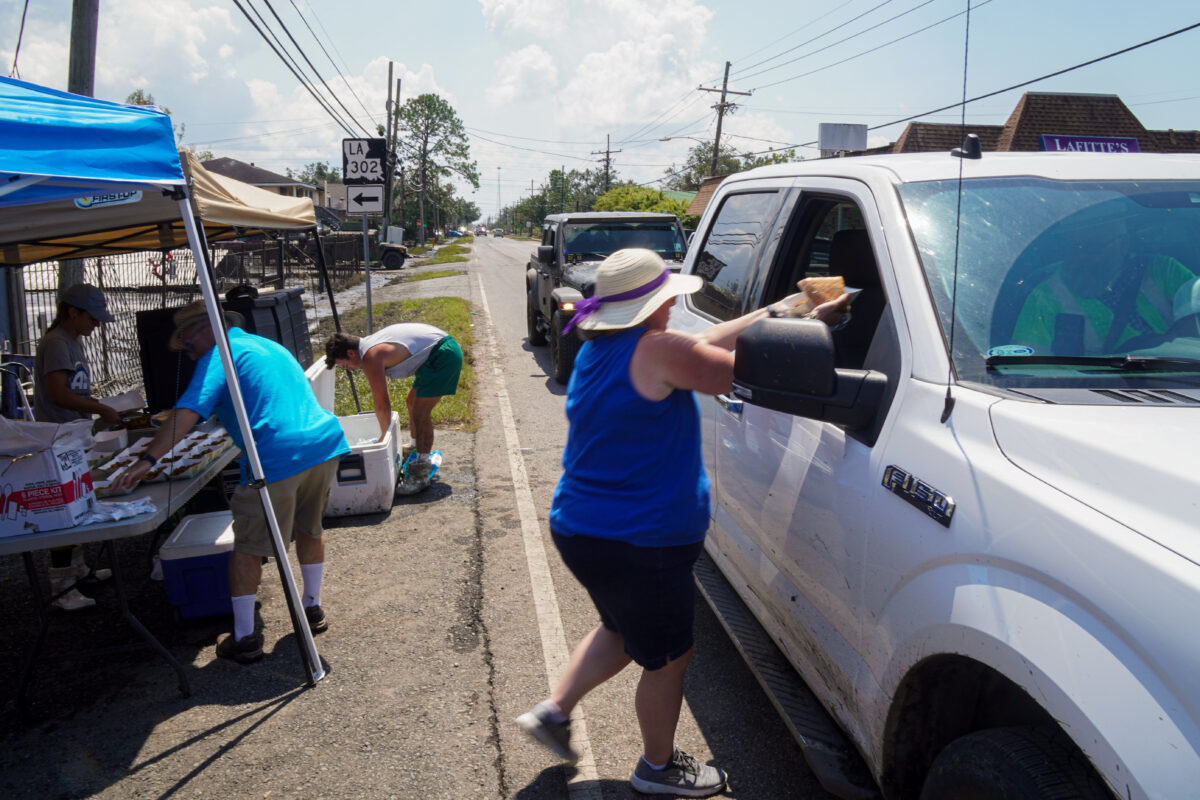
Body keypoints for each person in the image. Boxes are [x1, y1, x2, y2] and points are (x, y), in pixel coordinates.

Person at [515, 249, 848, 797]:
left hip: (583, 528)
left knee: (621, 630)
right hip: (639, 541)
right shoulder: (662, 348)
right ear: (656, 303)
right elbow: (738, 369)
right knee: (670, 658)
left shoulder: (605, 348)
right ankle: (657, 769)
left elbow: (704, 346)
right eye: (668, 297)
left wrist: (777, 308)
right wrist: (813, 324)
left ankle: (554, 712)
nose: (674, 304)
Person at [116, 300, 349, 664]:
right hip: (322, 444)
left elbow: (188, 414)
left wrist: (146, 460)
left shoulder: (218, 355)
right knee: (310, 528)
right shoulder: (267, 345)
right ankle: (312, 607)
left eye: (187, 339)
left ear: (210, 327)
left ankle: (243, 637)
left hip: (275, 459)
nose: (188, 350)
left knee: (248, 547)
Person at [32, 283, 121, 611]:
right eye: (92, 318)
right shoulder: (56, 343)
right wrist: (100, 409)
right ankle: (62, 586)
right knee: (64, 511)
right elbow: (58, 394)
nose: (95, 325)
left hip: (73, 435)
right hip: (59, 438)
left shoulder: (71, 341)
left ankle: (79, 570)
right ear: (72, 312)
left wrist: (94, 410)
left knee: (80, 503)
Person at [323, 323, 463, 496]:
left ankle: (420, 473)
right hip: (439, 350)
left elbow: (382, 402)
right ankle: (413, 447)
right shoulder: (368, 345)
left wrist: (384, 438)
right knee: (411, 401)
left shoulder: (370, 356)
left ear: (351, 353)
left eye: (345, 365)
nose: (349, 369)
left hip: (443, 354)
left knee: (421, 413)